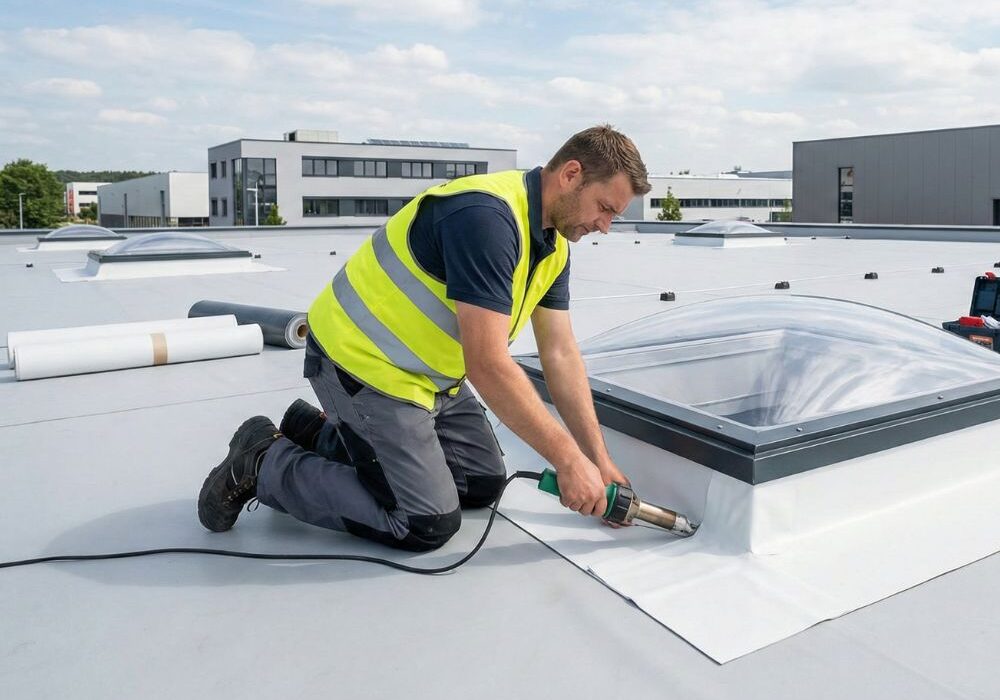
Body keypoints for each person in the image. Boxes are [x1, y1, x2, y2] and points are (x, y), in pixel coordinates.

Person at [198, 124, 652, 551]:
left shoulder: (552, 244)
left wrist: (598, 459)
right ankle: (262, 461)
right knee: (426, 521)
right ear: (572, 174)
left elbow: (560, 353)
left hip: (428, 379)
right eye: (605, 208)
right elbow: (489, 365)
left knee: (480, 484)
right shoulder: (486, 218)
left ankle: (314, 431)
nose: (605, 226)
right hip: (361, 365)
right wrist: (569, 463)